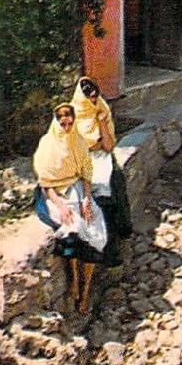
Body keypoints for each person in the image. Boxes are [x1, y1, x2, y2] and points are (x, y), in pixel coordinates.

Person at [33, 103, 108, 314]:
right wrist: (60, 206)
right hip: (56, 194)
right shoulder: (47, 144)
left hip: (77, 190)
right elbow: (45, 183)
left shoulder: (78, 141)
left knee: (94, 229)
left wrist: (86, 198)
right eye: (61, 119)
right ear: (56, 120)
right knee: (72, 226)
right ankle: (75, 280)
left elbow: (85, 172)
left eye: (69, 119)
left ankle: (85, 292)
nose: (66, 123)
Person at [72, 75, 133, 263]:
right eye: (88, 97)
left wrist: (101, 124)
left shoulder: (102, 108)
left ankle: (116, 244)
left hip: (104, 159)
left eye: (95, 95)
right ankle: (101, 251)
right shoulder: (72, 115)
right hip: (83, 165)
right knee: (95, 204)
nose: (93, 100)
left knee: (115, 193)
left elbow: (108, 145)